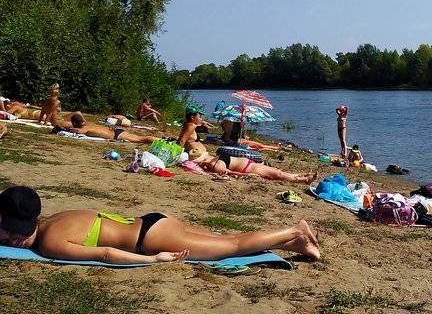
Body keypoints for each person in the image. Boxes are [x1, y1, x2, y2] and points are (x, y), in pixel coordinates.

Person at [0, 185, 320, 262]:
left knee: (231, 248)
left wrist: (152, 260)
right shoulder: (57, 218)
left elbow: (107, 254)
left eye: (16, 233)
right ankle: (290, 242)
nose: (15, 239)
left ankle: (295, 230)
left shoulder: (51, 243)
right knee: (230, 239)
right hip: (154, 222)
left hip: (151, 240)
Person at [188, 148, 318, 184]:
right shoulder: (216, 166)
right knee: (278, 174)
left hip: (250, 164)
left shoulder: (213, 158)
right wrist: (247, 175)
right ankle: (303, 179)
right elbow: (230, 173)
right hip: (249, 168)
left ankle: (301, 176)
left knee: (278, 171)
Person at [53, 112, 159, 144]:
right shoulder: (89, 124)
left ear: (75, 124)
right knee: (141, 137)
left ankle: (163, 141)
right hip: (116, 131)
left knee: (142, 139)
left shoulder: (83, 129)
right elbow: (77, 114)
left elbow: (76, 131)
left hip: (116, 134)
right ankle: (164, 140)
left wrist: (63, 129)